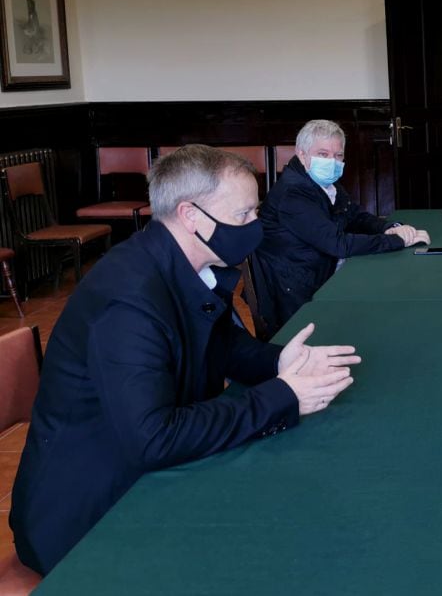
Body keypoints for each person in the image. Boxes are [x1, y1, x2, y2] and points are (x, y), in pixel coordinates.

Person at [10, 145, 361, 574]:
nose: (257, 225)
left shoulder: (183, 262)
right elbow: (154, 438)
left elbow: (223, 343)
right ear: (191, 216)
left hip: (146, 481)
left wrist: (277, 362)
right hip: (88, 516)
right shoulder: (130, 300)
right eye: (244, 215)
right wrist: (282, 396)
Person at [252, 120, 430, 335]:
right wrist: (397, 241)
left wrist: (390, 227)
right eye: (323, 154)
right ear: (302, 154)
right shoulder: (294, 193)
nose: (332, 162)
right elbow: (337, 244)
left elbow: (356, 216)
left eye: (338, 156)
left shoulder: (324, 184)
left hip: (320, 271)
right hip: (298, 291)